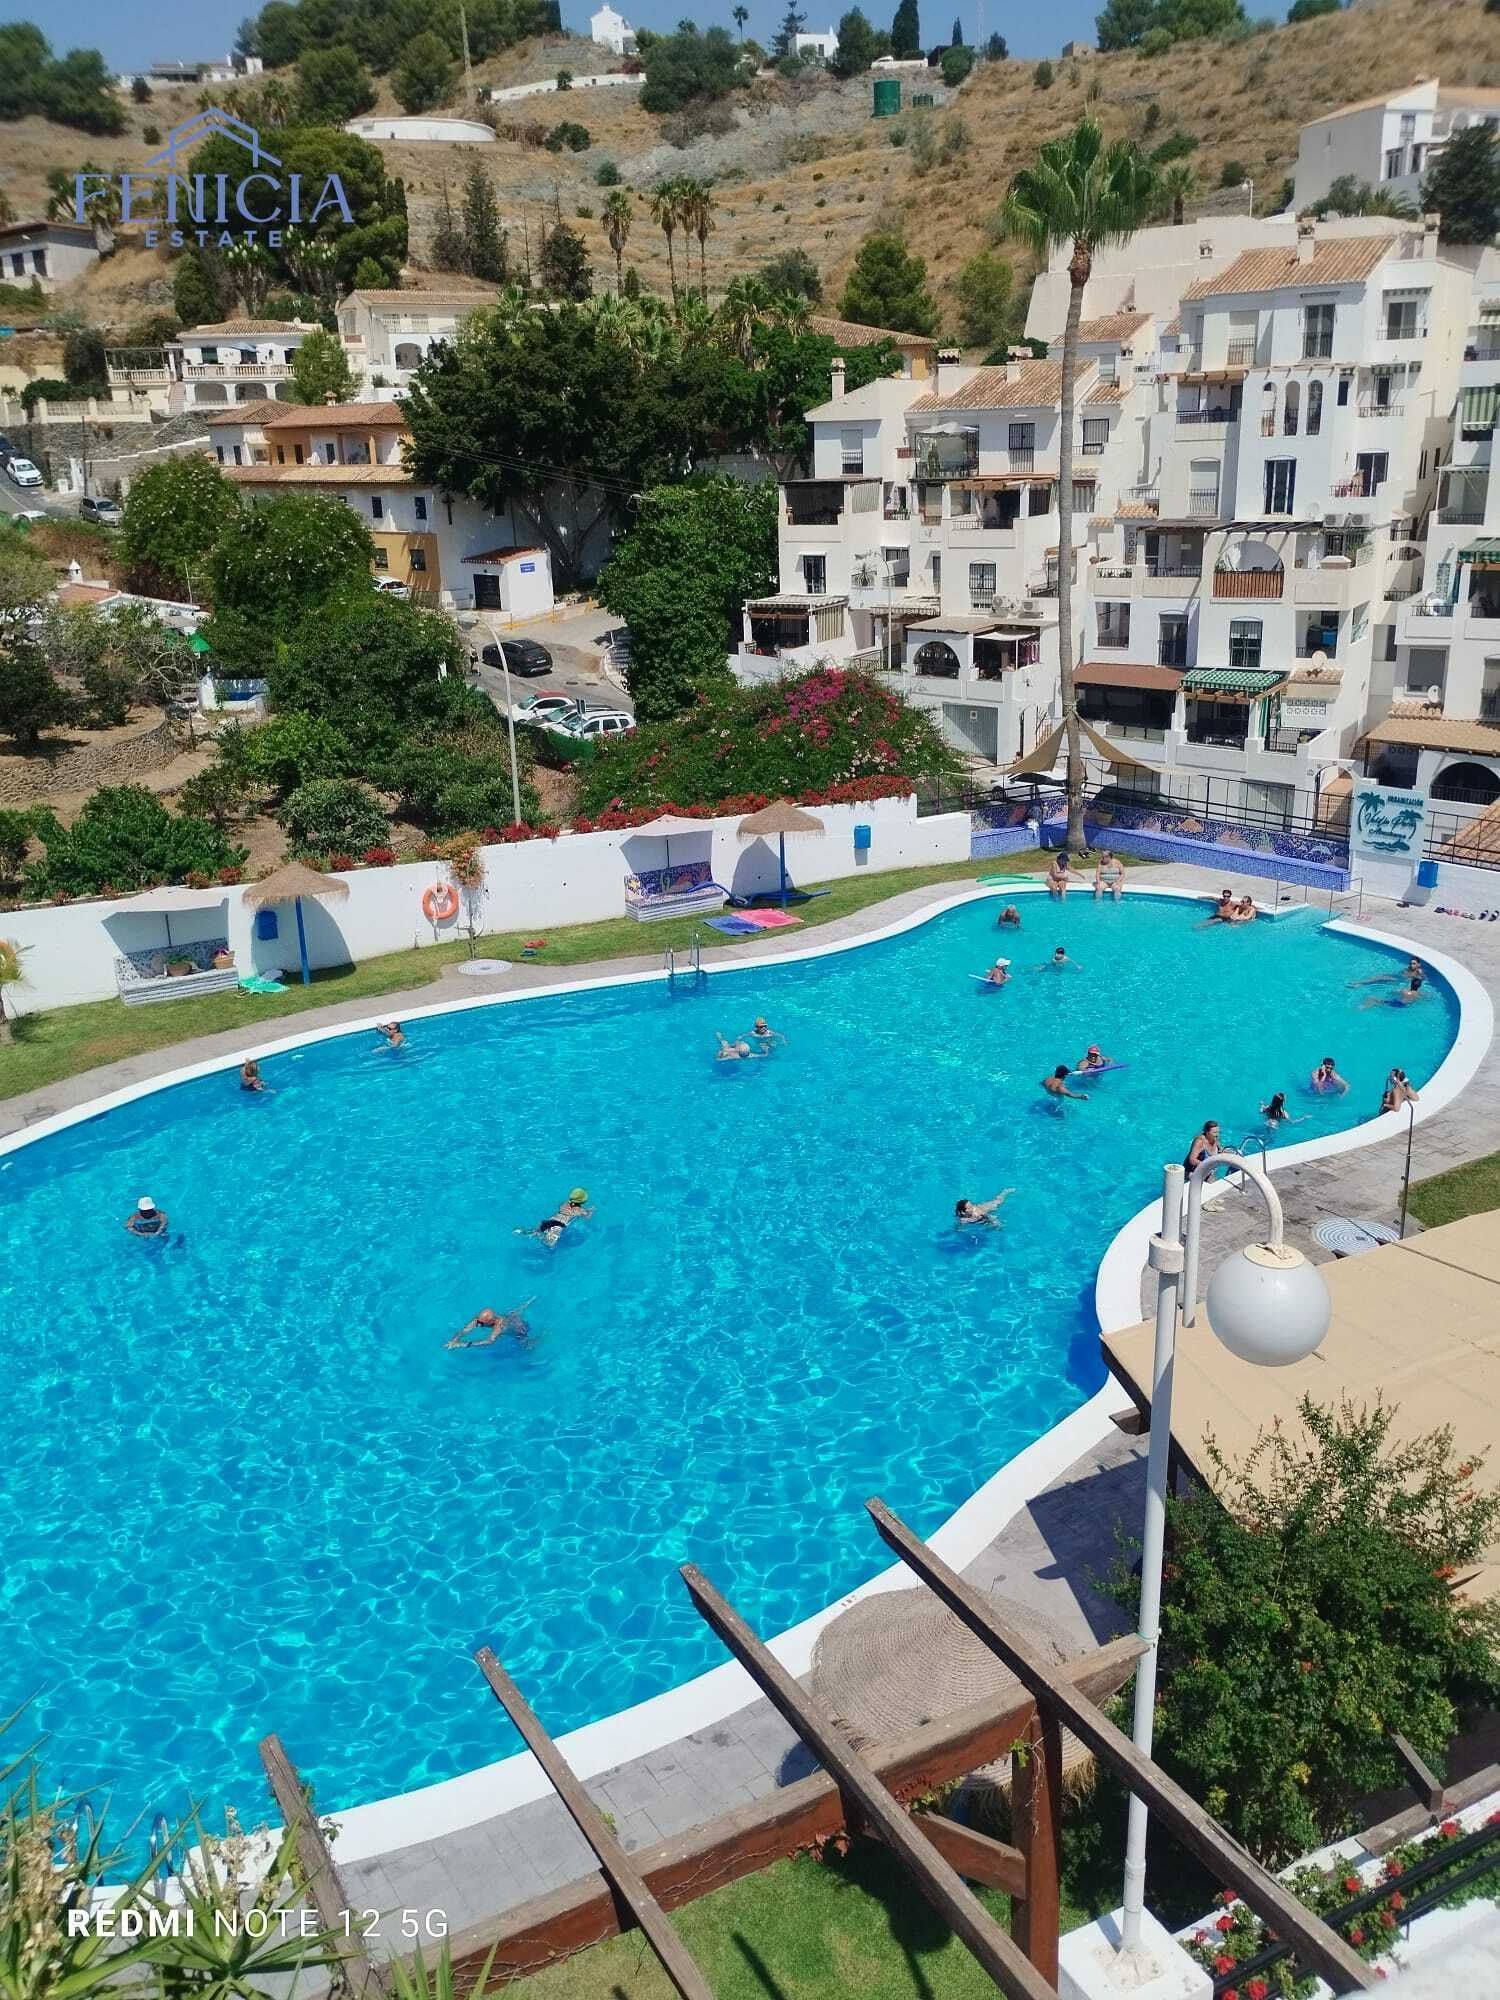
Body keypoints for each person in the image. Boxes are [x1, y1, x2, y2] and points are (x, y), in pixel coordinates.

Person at [517, 1189, 594, 1248]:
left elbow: (563, 1208)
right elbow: (587, 1218)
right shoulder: (580, 1210)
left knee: (537, 1230)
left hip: (551, 1220)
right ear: (582, 1202)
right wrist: (591, 1210)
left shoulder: (564, 1204)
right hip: (558, 1226)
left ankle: (522, 1231)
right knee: (550, 1245)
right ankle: (539, 1236)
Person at [447, 1302, 533, 1350]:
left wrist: (463, 1344)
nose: (478, 1324)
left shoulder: (498, 1328)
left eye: (481, 1323)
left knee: (527, 1347)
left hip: (520, 1329)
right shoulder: (481, 1320)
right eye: (478, 1322)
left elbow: (489, 1341)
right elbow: (465, 1329)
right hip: (511, 1318)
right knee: (513, 1313)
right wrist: (454, 1340)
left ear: (491, 1321)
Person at [1351, 956, 1423, 990]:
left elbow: (1419, 980)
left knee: (1380, 981)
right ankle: (1359, 983)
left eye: (1414, 964)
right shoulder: (1407, 969)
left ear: (1418, 964)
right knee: (1379, 977)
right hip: (1397, 977)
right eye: (1410, 963)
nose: (1411, 965)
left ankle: (1360, 984)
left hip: (1399, 981)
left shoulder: (1419, 972)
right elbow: (1399, 973)